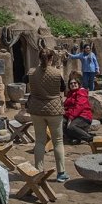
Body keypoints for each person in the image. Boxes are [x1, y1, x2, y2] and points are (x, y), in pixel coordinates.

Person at [26, 48, 69, 182]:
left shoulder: (31, 72)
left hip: (37, 110)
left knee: (39, 141)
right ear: (51, 59)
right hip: (54, 110)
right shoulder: (57, 73)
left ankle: (39, 171)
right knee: (58, 141)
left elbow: (24, 80)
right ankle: (61, 173)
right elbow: (63, 88)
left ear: (39, 58)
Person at [63, 79, 94, 144]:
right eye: (71, 83)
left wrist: (70, 117)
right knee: (60, 122)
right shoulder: (70, 94)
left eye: (75, 83)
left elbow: (79, 106)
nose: (73, 84)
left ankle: (89, 138)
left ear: (78, 84)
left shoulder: (81, 92)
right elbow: (67, 106)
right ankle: (74, 138)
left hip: (84, 116)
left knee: (71, 127)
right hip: (73, 115)